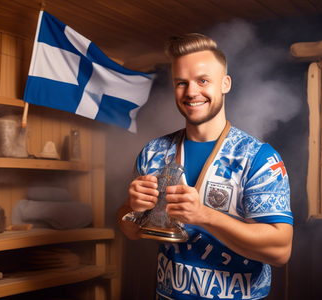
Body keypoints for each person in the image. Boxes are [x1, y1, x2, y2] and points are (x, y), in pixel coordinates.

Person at [117, 33, 293, 300]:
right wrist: (134, 207)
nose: (191, 92)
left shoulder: (259, 158)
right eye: (181, 83)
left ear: (225, 84)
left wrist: (204, 215)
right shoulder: (153, 152)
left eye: (202, 80)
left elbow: (280, 252)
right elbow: (131, 231)